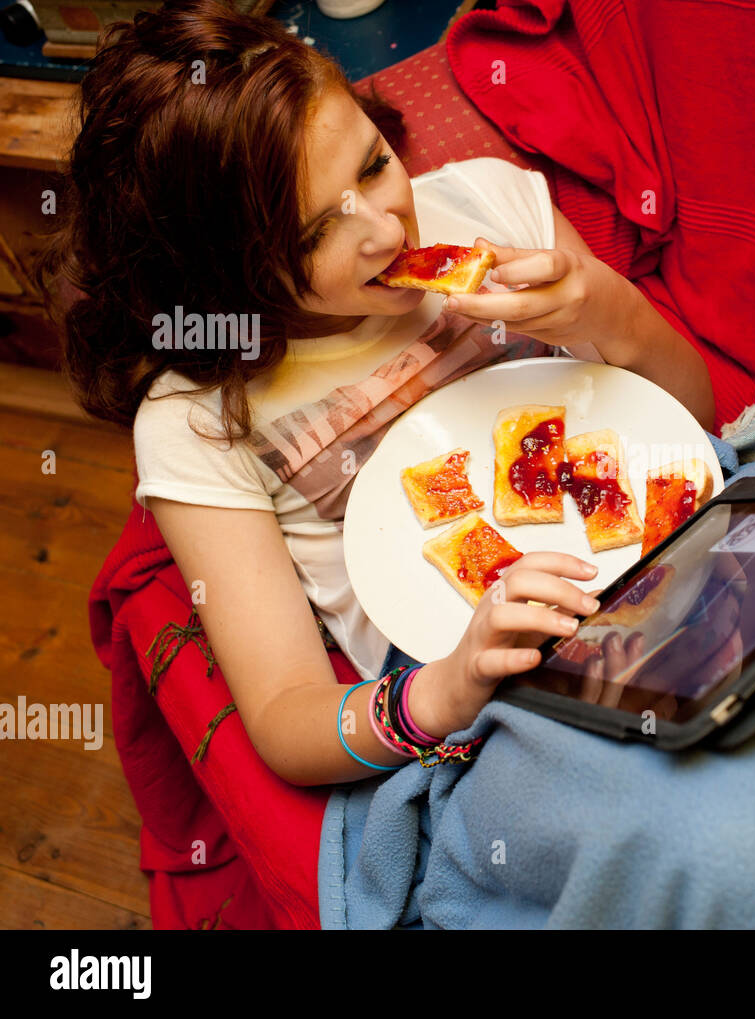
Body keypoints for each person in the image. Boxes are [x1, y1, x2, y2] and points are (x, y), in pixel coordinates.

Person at [38, 0, 714, 786]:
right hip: (468, 691)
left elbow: (695, 417)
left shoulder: (492, 204)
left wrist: (610, 311)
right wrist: (448, 690)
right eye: (315, 231)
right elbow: (289, 719)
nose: (389, 232)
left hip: (666, 559)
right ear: (224, 275)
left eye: (371, 164)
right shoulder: (195, 420)